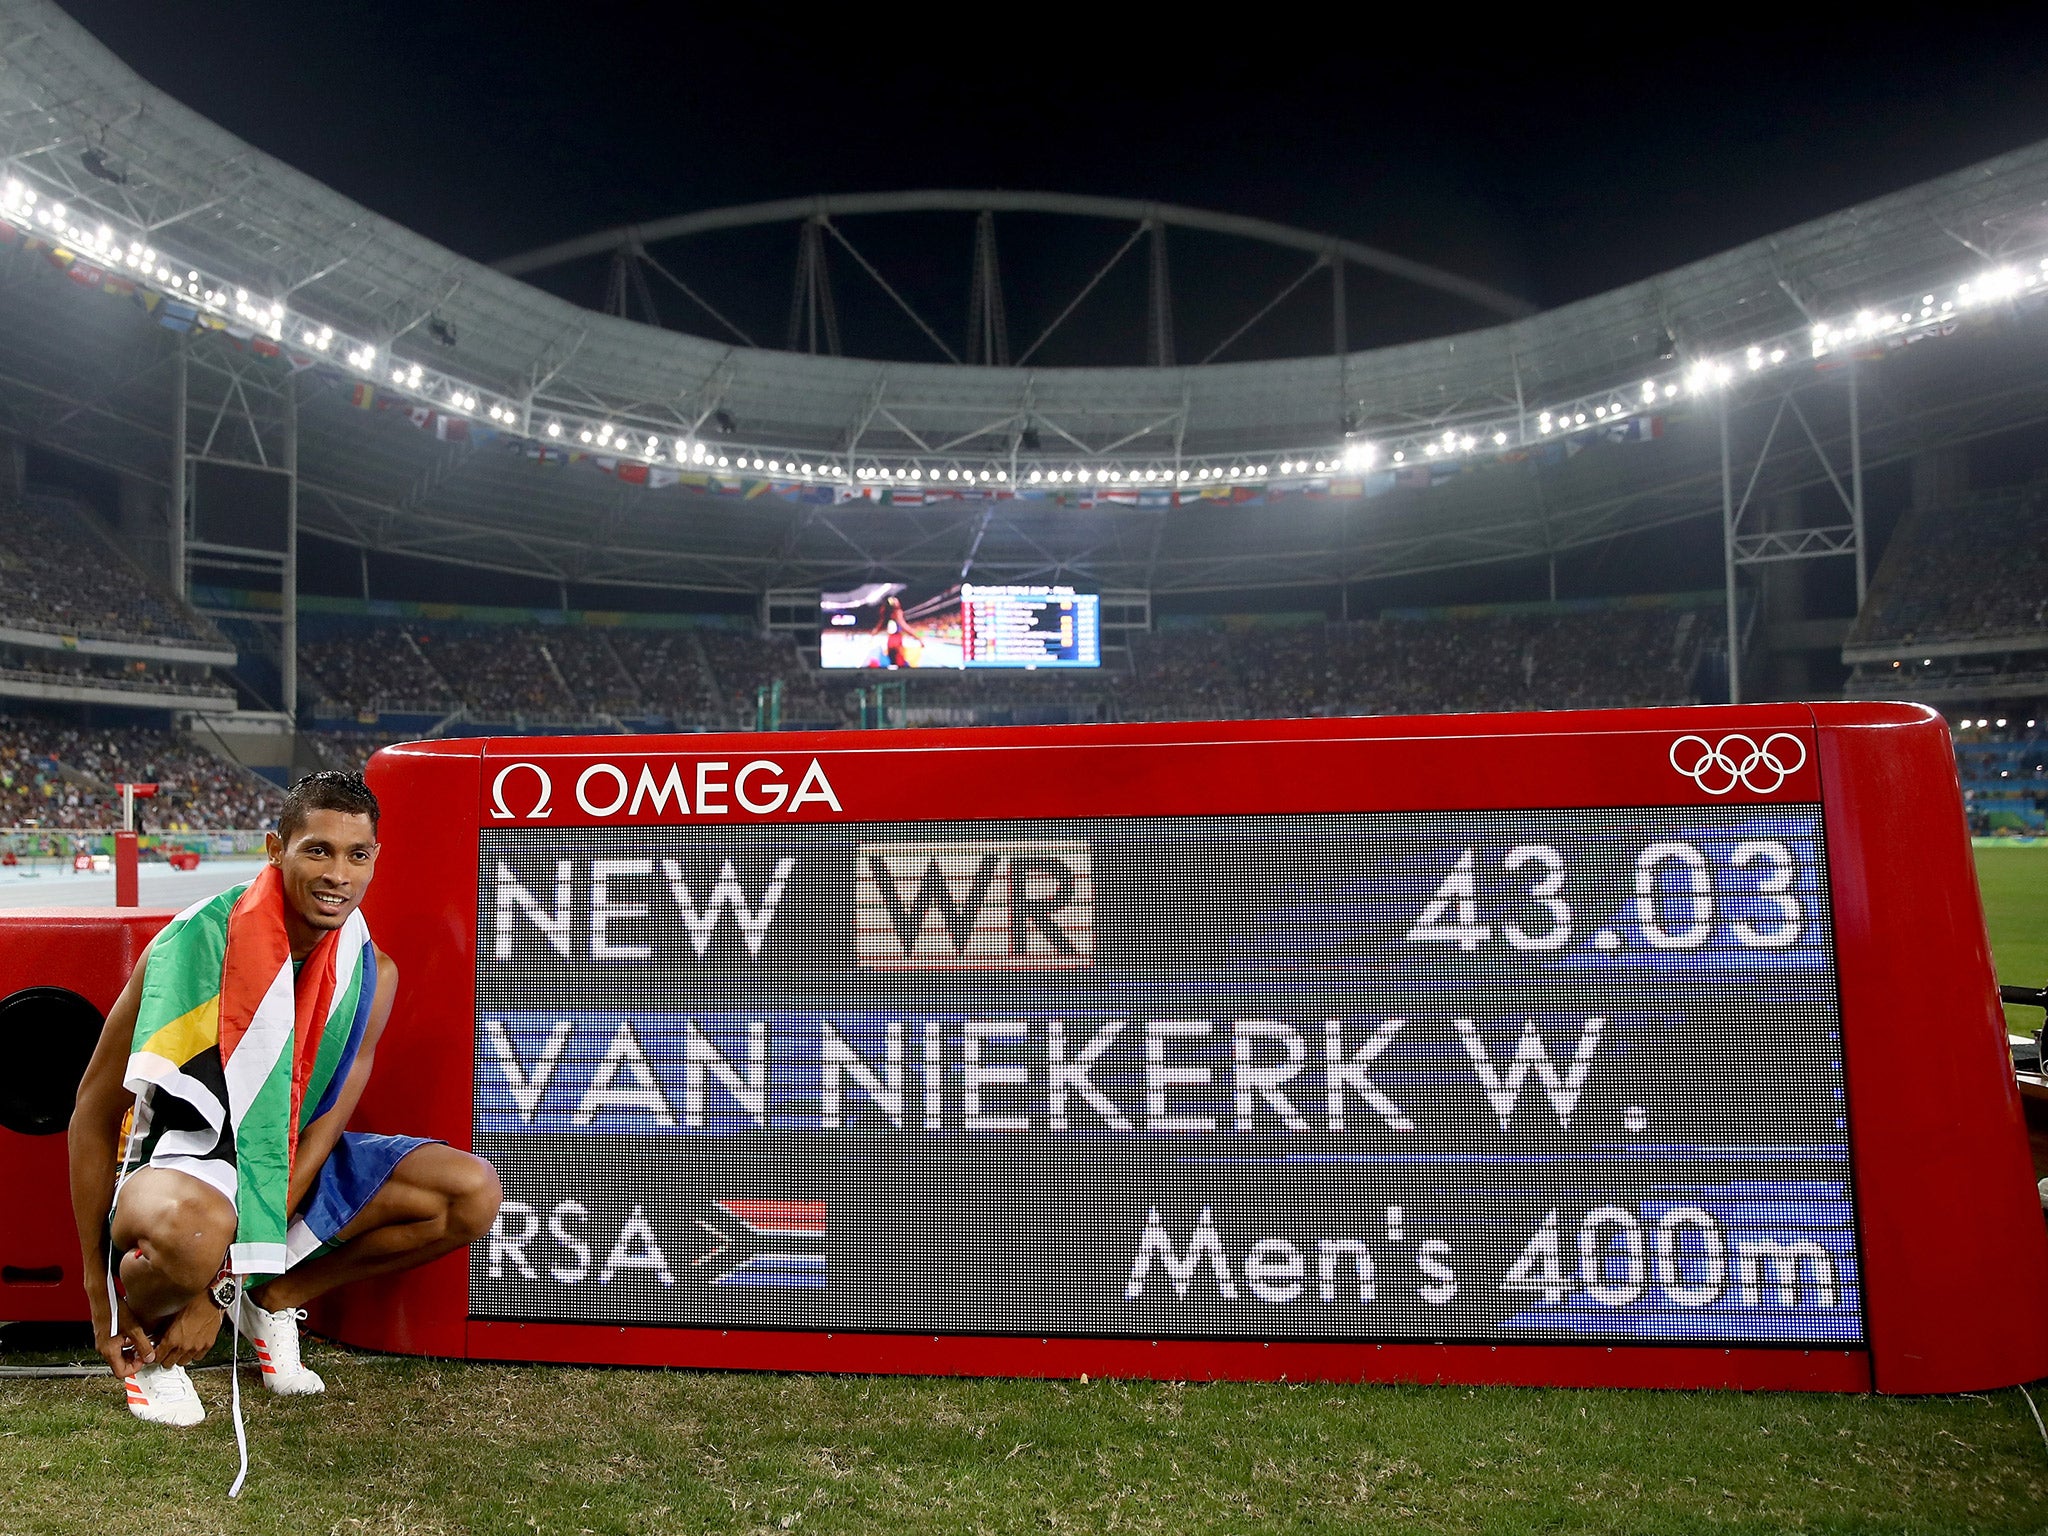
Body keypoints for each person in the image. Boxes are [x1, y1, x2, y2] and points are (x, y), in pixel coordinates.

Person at [67, 771, 501, 1426]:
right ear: (276, 849)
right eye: (317, 850)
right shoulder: (193, 945)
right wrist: (101, 1305)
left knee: (470, 1194)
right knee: (195, 1229)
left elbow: (322, 1127)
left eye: (357, 854)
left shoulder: (369, 971)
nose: (338, 874)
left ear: (375, 859)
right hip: (178, 1166)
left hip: (280, 1166)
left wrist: (224, 1287)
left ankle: (273, 1299)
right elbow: (93, 1116)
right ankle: (149, 1342)